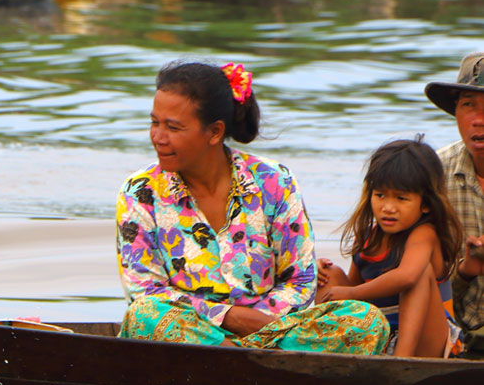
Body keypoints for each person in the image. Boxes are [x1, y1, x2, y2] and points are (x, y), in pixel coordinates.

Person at [116, 60, 389, 353]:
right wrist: (230, 317)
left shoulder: (274, 182)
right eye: (154, 123)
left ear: (215, 132)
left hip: (270, 332)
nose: (158, 137)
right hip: (191, 336)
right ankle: (250, 362)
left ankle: (244, 361)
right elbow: (144, 291)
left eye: (173, 127)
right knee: (144, 315)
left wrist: (261, 325)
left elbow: (300, 279)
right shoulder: (139, 192)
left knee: (367, 320)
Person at [316, 138, 464, 357]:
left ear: (425, 204)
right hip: (381, 332)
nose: (388, 207)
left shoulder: (424, 234)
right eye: (380, 195)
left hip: (431, 341)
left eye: (401, 198)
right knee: (328, 274)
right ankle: (325, 350)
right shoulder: (367, 237)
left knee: (418, 275)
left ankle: (400, 361)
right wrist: (319, 272)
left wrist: (352, 292)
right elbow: (355, 295)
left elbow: (406, 277)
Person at [424, 52, 484, 345]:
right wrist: (466, 270)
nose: (479, 120)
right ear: (456, 113)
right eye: (468, 106)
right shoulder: (434, 174)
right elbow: (417, 275)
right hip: (452, 331)